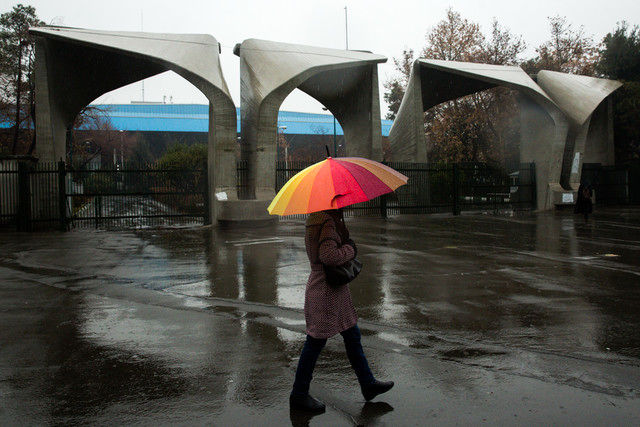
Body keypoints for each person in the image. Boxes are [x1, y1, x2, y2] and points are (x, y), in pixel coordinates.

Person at [289, 208, 394, 413]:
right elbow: (328, 256)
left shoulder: (316, 218)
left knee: (352, 334)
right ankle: (299, 394)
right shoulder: (327, 221)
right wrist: (350, 250)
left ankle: (367, 383)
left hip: (332, 289)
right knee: (315, 342)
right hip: (326, 290)